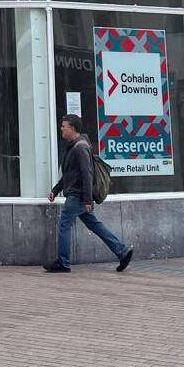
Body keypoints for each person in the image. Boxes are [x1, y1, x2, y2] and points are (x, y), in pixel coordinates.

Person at [44, 115, 132, 274]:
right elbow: (70, 174)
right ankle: (122, 252)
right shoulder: (75, 146)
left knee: (64, 225)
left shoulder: (80, 147)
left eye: (64, 126)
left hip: (77, 195)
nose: (61, 128)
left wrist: (87, 199)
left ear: (72, 128)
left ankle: (63, 263)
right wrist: (55, 190)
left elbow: (87, 174)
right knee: (94, 225)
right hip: (79, 195)